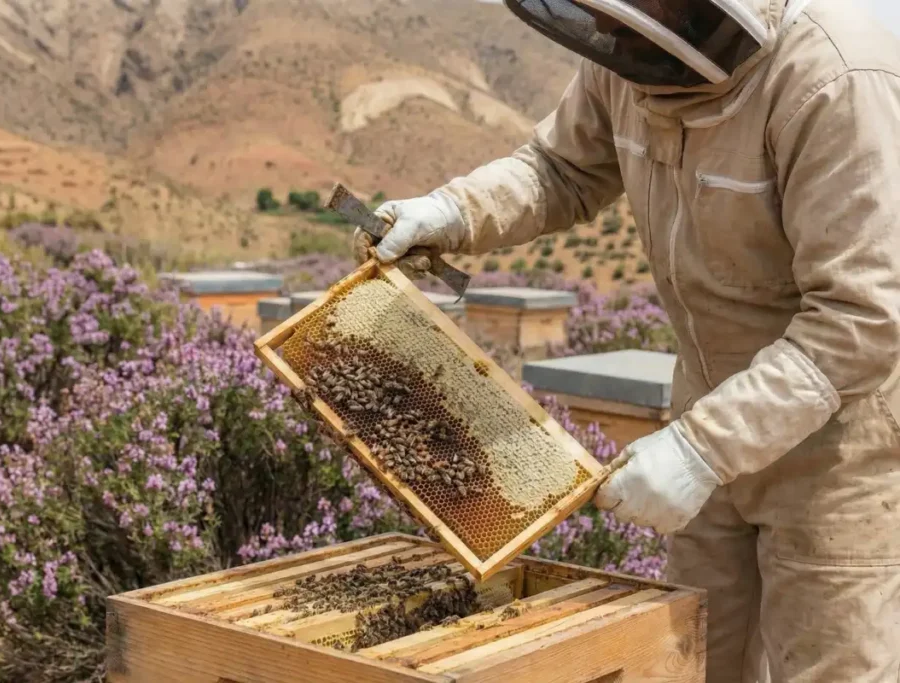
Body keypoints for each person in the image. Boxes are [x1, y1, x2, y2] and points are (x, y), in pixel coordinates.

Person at [351, 1, 900, 681]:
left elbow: (863, 317)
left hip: (838, 451)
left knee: (831, 668)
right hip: (708, 407)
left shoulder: (837, 81)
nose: (607, 32)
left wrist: (703, 447)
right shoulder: (631, 50)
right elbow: (559, 168)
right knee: (691, 660)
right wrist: (454, 211)